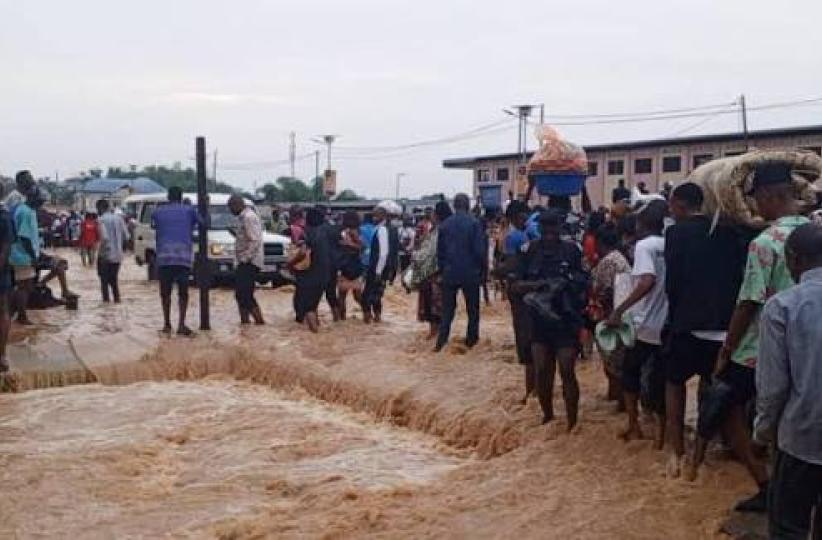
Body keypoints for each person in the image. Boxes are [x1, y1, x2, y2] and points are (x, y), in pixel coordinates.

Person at [691, 162, 809, 512]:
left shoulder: (765, 242)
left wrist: (727, 348)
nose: (754, 207)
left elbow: (749, 301)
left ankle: (764, 481)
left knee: (726, 406)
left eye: (757, 199)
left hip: (759, 346)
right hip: (807, 344)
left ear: (772, 197)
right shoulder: (814, 233)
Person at [663, 182, 748, 476]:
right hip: (725, 329)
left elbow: (672, 283)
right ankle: (698, 459)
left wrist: (674, 318)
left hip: (687, 325)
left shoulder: (676, 233)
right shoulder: (730, 232)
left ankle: (676, 453)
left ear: (679, 205)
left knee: (674, 386)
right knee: (713, 392)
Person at [755, 223, 822, 538]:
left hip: (801, 439)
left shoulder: (782, 306)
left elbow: (773, 388)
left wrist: (764, 433)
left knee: (788, 527)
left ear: (794, 259)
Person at [511, 209, 588, 428]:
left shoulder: (572, 251)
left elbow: (584, 281)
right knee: (543, 369)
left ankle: (572, 424)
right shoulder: (529, 251)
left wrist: (567, 284)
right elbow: (515, 285)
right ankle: (548, 417)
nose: (549, 235)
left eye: (553, 229)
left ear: (560, 229)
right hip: (538, 321)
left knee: (566, 369)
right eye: (545, 230)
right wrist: (539, 286)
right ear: (540, 229)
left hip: (565, 320)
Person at [607, 199, 669, 446]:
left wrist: (619, 310)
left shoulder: (644, 246)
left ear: (642, 224)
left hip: (645, 325)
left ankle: (634, 425)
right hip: (668, 324)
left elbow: (646, 281)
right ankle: (663, 436)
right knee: (662, 379)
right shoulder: (670, 244)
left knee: (629, 373)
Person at [435, 193, 486, 352]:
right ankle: (471, 343)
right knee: (473, 311)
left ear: (454, 206)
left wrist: (442, 271)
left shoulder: (444, 225)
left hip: (449, 273)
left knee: (447, 311)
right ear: (467, 206)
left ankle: (441, 343)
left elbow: (440, 252)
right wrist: (483, 271)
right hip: (470, 273)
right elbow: (479, 251)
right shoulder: (474, 224)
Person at [590, 223, 631, 408]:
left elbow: (605, 291)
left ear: (600, 242)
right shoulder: (620, 258)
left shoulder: (608, 262)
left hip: (612, 315)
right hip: (624, 314)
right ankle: (617, 397)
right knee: (618, 360)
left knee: (613, 361)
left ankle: (620, 400)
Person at [151, 187, 199, 336]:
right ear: (181, 196)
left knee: (165, 293)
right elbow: (205, 223)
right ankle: (181, 325)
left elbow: (154, 225)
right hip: (183, 258)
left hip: (164, 258)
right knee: (183, 293)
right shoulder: (189, 210)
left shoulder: (158, 212)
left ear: (168, 197)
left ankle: (166, 324)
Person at [409, 201, 451, 340]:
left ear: (438, 215)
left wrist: (416, 257)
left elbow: (429, 252)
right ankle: (437, 333)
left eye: (433, 213)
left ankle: (435, 333)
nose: (431, 215)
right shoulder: (439, 229)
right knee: (438, 304)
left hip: (433, 273)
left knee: (434, 305)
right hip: (440, 271)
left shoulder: (438, 231)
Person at [292, 207, 331, 332]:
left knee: (307, 307)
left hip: (310, 274)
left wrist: (290, 263)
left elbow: (303, 253)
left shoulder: (307, 233)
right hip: (325, 274)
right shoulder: (326, 233)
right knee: (313, 305)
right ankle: (316, 336)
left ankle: (315, 335)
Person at [229, 194, 265, 325]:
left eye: (230, 208)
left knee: (245, 295)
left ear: (236, 205)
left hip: (249, 262)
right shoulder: (243, 218)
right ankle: (245, 323)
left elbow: (255, 241)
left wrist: (245, 259)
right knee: (240, 295)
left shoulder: (248, 217)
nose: (230, 211)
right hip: (243, 261)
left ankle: (260, 322)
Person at [10, 189, 43, 324]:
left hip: (22, 254)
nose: (42, 201)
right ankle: (21, 316)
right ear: (32, 197)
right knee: (24, 286)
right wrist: (33, 257)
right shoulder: (25, 212)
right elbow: (24, 237)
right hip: (22, 255)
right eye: (40, 198)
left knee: (25, 286)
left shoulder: (28, 210)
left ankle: (16, 313)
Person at [361, 203, 397, 323]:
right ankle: (377, 317)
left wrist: (378, 271)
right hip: (381, 267)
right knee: (376, 294)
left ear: (382, 216)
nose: (373, 217)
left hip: (377, 267)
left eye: (375, 215)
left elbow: (383, 252)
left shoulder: (382, 229)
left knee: (366, 295)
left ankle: (368, 318)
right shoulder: (387, 228)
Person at [96, 199, 129, 303]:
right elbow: (127, 236)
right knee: (114, 281)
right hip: (118, 255)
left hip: (105, 255)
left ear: (100, 208)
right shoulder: (119, 219)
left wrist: (101, 251)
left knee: (104, 282)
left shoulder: (100, 220)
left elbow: (104, 238)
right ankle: (117, 300)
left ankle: (106, 302)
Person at [336, 211, 364, 321]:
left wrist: (347, 244)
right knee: (357, 296)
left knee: (342, 296)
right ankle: (367, 314)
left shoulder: (341, 232)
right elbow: (362, 247)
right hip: (356, 266)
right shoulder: (358, 232)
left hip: (344, 267)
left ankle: (341, 319)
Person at [0, 187, 15, 372]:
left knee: (3, 308)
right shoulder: (5, 216)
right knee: (3, 309)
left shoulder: (4, 217)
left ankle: (2, 355)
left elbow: (5, 250)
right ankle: (2, 356)